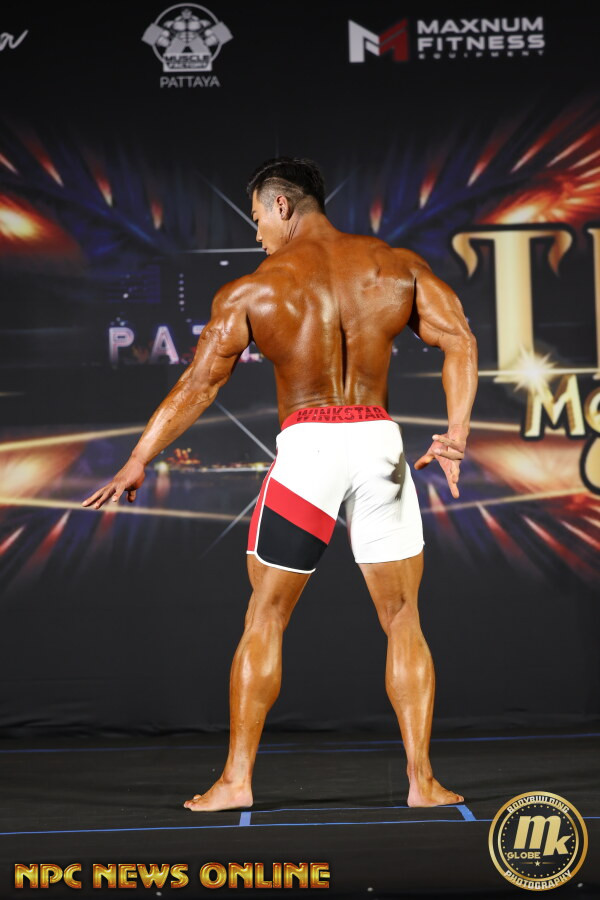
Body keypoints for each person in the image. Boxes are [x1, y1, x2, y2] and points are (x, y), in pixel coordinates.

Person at [82, 157, 478, 811]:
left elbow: (199, 385)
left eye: (258, 216)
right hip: (379, 443)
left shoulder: (255, 290)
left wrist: (138, 458)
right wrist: (456, 434)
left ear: (283, 206)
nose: (257, 232)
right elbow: (459, 339)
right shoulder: (395, 266)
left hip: (308, 448)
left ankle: (236, 781)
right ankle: (422, 781)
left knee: (265, 614)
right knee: (404, 616)